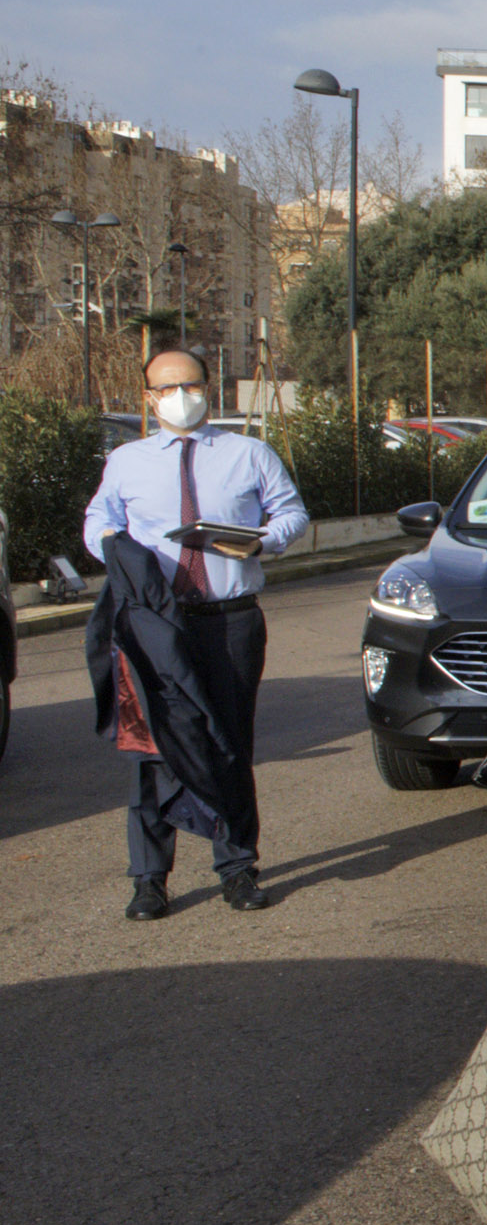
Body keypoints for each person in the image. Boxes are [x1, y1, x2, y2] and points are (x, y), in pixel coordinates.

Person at [82, 348, 305, 919]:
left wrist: (262, 540)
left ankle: (237, 867)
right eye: (166, 387)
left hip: (229, 620)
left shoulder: (249, 453)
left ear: (208, 389)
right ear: (150, 398)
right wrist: (115, 546)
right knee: (152, 746)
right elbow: (98, 522)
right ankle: (149, 879)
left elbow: (292, 515)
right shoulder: (127, 461)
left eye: (190, 384)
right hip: (155, 624)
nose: (180, 396)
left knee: (229, 743)